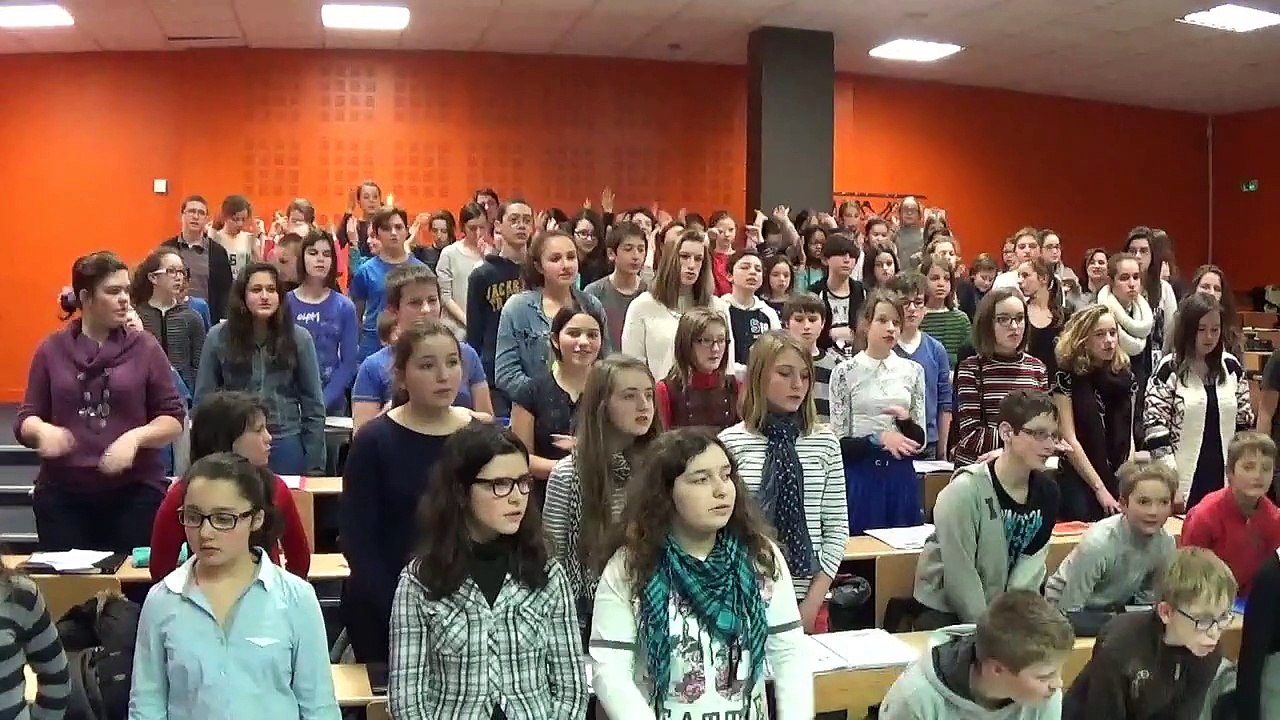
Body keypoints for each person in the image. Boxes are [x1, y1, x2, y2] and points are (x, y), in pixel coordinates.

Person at [590, 429, 813, 719]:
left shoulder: (759, 557)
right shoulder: (630, 566)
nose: (721, 489)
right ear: (665, 492)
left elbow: (789, 654)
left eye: (726, 474)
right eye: (701, 479)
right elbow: (610, 670)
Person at [388, 422, 588, 719]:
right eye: (499, 484)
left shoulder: (547, 574)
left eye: (523, 482)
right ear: (460, 491)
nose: (517, 497)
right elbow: (406, 701)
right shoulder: (420, 581)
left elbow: (571, 689)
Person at [128, 453, 339, 720]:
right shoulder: (163, 600)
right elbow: (146, 706)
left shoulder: (296, 598)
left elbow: (319, 707)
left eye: (223, 519)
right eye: (193, 517)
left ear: (256, 519)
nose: (205, 533)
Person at [18, 252, 184, 552]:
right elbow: (27, 417)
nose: (124, 300)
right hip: (63, 495)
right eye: (113, 291)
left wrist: (135, 438)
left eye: (126, 291)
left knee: (130, 590)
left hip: (134, 493)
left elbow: (173, 418)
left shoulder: (145, 347)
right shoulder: (51, 350)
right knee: (70, 592)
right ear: (86, 297)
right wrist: (42, 431)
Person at [340, 319, 477, 664]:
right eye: (427, 365)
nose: (443, 375)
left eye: (452, 362)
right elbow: (359, 542)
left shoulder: (477, 437)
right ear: (401, 375)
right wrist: (404, 612)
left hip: (469, 608)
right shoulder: (374, 441)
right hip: (387, 605)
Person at [719, 332, 846, 631]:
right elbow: (724, 532)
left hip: (809, 595)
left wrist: (810, 605)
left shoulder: (825, 442)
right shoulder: (730, 443)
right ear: (760, 377)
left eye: (804, 376)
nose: (797, 385)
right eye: (785, 374)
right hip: (743, 595)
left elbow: (837, 530)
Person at [915, 391, 1062, 628]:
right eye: (1038, 434)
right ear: (1006, 432)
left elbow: (1030, 565)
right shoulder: (963, 492)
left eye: (1053, 436)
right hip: (949, 611)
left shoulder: (1048, 493)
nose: (1049, 446)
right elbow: (961, 575)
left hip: (1003, 612)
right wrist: (989, 634)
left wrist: (1011, 620)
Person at [544, 355, 661, 640]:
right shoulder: (568, 475)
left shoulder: (662, 468)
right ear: (601, 405)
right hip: (590, 618)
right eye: (629, 396)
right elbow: (553, 562)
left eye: (648, 395)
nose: (644, 406)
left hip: (655, 608)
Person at [149, 391, 311, 581]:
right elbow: (160, 567)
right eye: (258, 430)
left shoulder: (276, 489)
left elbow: (299, 559)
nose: (269, 438)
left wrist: (285, 597)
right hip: (200, 596)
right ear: (226, 439)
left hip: (266, 598)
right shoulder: (183, 494)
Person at [1062, 547, 1237, 719]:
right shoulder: (1120, 645)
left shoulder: (1209, 651)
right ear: (1166, 613)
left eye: (1222, 617)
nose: (1214, 633)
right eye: (1203, 620)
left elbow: (1186, 713)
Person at [195, 262, 325, 475]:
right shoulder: (217, 337)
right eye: (256, 290)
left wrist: (315, 466)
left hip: (285, 441)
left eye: (271, 290)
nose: (265, 296)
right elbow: (203, 402)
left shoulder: (300, 338)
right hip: (234, 444)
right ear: (242, 296)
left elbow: (314, 406)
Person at [880, 590, 1074, 720]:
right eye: (1044, 676)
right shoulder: (915, 699)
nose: (1058, 684)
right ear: (997, 670)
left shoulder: (1044, 695)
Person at [1145, 293, 1254, 511]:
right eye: (1201, 329)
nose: (1209, 337)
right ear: (1188, 329)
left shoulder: (1231, 367)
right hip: (1183, 478)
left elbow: (1244, 425)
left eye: (1215, 329)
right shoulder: (1169, 369)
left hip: (1224, 474)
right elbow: (1155, 430)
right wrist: (1171, 481)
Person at [830, 291, 927, 532]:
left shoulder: (913, 371)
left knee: (903, 562)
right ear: (866, 324)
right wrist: (879, 439)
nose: (891, 328)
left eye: (896, 322)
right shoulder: (844, 372)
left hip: (900, 476)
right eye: (883, 320)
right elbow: (839, 442)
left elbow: (921, 440)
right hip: (862, 476)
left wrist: (905, 423)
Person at [351, 264, 490, 431]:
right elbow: (361, 437)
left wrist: (460, 415)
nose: (426, 309)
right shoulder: (373, 366)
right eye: (415, 303)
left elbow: (488, 424)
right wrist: (397, 410)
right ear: (394, 310)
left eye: (432, 301)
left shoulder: (466, 354)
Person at [1044, 462, 1177, 619]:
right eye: (1144, 502)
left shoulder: (1165, 544)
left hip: (1114, 611)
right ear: (1123, 505)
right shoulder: (1098, 544)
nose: (1154, 512)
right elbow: (1069, 611)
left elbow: (1146, 604)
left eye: (1163, 502)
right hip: (1066, 612)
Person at [495, 228, 609, 401]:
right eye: (556, 259)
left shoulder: (592, 305)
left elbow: (605, 362)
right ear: (539, 266)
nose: (566, 265)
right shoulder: (518, 308)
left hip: (586, 406)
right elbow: (506, 374)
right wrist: (547, 398)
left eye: (571, 257)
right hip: (533, 409)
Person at [1052, 304, 1136, 521]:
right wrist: (1100, 489)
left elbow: (1130, 435)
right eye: (1099, 335)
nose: (1109, 340)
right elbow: (1068, 439)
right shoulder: (1067, 377)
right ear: (1083, 340)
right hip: (1080, 475)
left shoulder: (1124, 376)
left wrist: (1128, 479)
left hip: (1117, 471)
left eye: (1112, 333)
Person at [951, 290, 1049, 465]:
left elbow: (1045, 430)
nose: (1014, 326)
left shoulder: (1037, 368)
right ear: (987, 323)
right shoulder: (971, 368)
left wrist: (1010, 450)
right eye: (1004, 319)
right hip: (980, 468)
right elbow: (972, 435)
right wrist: (1022, 444)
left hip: (1026, 467)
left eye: (1020, 318)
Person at [622, 228, 733, 380]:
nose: (692, 265)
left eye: (698, 259)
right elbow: (632, 368)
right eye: (684, 257)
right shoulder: (642, 306)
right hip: (658, 398)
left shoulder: (718, 308)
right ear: (670, 259)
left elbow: (728, 367)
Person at [1180, 431, 1280, 598]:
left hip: (1254, 603)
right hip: (1205, 602)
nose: (1258, 476)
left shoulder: (1274, 518)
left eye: (1266, 468)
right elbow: (1187, 577)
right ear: (1229, 472)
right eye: (1248, 467)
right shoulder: (1204, 516)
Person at [511, 306, 603, 480]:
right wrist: (571, 469)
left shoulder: (610, 391)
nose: (584, 342)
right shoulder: (530, 392)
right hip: (544, 495)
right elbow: (521, 458)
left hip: (600, 493)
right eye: (574, 334)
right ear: (555, 339)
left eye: (592, 335)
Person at [466, 198, 533, 414]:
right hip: (493, 374)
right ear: (498, 226)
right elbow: (474, 333)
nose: (521, 225)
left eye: (526, 220)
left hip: (531, 370)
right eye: (514, 220)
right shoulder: (482, 275)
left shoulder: (539, 273)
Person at [287, 230, 359, 415]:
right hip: (289, 402)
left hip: (331, 404)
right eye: (313, 253)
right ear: (302, 257)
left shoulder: (345, 307)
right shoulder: (284, 303)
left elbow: (349, 362)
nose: (320, 259)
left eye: (326, 254)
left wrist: (321, 402)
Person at [890, 272, 953, 460]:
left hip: (928, 444)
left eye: (917, 303)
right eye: (905, 303)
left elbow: (944, 404)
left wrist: (942, 449)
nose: (911, 309)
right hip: (892, 442)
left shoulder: (936, 350)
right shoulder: (885, 347)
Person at [349, 207, 424, 361]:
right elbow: (355, 316)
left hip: (413, 344)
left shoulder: (421, 271)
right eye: (387, 228)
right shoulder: (365, 271)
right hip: (372, 346)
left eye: (398, 227)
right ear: (376, 234)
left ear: (407, 231)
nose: (394, 233)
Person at [130, 246, 206, 392]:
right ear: (153, 277)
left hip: (183, 398)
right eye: (171, 271)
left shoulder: (192, 317)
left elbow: (200, 367)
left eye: (181, 272)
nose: (178, 277)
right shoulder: (136, 316)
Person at [655, 307, 740, 432]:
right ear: (686, 344)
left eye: (721, 340)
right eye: (706, 340)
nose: (716, 348)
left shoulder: (736, 386)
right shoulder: (665, 390)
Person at [162, 195, 234, 323]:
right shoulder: (166, 249)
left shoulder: (217, 252)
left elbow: (226, 293)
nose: (195, 216)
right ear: (181, 216)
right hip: (171, 318)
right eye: (191, 211)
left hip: (207, 320)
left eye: (201, 213)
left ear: (206, 219)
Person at [584, 221, 649, 351]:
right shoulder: (594, 292)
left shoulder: (650, 292)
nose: (636, 256)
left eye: (641, 249)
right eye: (628, 249)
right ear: (611, 254)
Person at [782, 293, 841, 424]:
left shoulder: (835, 364)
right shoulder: (779, 363)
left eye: (813, 319)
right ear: (786, 323)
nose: (806, 326)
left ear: (823, 323)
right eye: (799, 319)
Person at [806, 232, 864, 357]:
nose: (847, 259)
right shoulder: (814, 294)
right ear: (825, 259)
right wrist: (830, 334)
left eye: (852, 255)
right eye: (841, 254)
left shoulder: (863, 292)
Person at [1124, 226, 1179, 356]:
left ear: (1152, 256)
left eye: (1143, 251)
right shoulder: (1117, 289)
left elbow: (1171, 334)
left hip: (1157, 359)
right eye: (1132, 251)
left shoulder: (1164, 289)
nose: (1137, 256)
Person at [436, 202, 489, 334]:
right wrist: (469, 322)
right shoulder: (449, 253)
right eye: (472, 228)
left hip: (485, 329)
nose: (478, 233)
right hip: (455, 330)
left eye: (482, 227)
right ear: (463, 227)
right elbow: (445, 296)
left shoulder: (492, 254)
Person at [721, 249, 781, 366]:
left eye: (758, 269)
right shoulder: (719, 308)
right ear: (729, 275)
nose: (753, 272)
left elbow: (777, 352)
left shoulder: (769, 313)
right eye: (745, 267)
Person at [919, 254, 972, 369]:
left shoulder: (961, 319)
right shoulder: (916, 318)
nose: (941, 284)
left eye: (947, 279)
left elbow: (969, 359)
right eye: (935, 278)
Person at [1018, 258, 1064, 378]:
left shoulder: (1064, 317)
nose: (1019, 281)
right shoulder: (1019, 314)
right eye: (1019, 276)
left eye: (1025, 275)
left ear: (1043, 278)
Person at [336, 180, 383, 275]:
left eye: (375, 197)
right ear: (358, 201)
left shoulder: (385, 226)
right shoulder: (353, 224)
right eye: (366, 197)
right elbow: (339, 241)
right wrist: (349, 209)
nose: (371, 200)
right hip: (356, 276)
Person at [214, 194, 261, 281]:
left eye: (243, 219)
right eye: (235, 219)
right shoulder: (216, 239)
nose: (240, 224)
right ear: (225, 217)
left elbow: (259, 267)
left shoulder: (249, 239)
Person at [759, 253, 794, 318]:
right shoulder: (759, 302)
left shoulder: (796, 303)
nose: (782, 279)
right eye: (775, 275)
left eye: (786, 275)